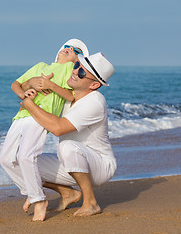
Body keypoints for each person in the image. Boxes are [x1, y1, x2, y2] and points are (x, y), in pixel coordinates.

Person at [0, 39, 89, 221]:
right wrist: (24, 92)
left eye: (75, 50)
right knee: (5, 159)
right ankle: (33, 193)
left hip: (41, 117)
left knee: (26, 156)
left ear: (77, 61)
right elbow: (15, 85)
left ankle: (39, 200)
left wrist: (51, 86)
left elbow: (71, 96)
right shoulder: (40, 66)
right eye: (66, 47)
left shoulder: (68, 72)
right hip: (22, 115)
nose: (69, 49)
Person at [20, 52, 117, 220]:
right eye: (76, 66)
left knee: (67, 147)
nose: (75, 71)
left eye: (81, 72)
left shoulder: (95, 102)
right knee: (20, 160)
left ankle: (91, 203)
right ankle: (67, 192)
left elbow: (58, 128)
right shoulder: (65, 96)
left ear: (94, 85)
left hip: (99, 165)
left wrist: (28, 104)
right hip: (72, 161)